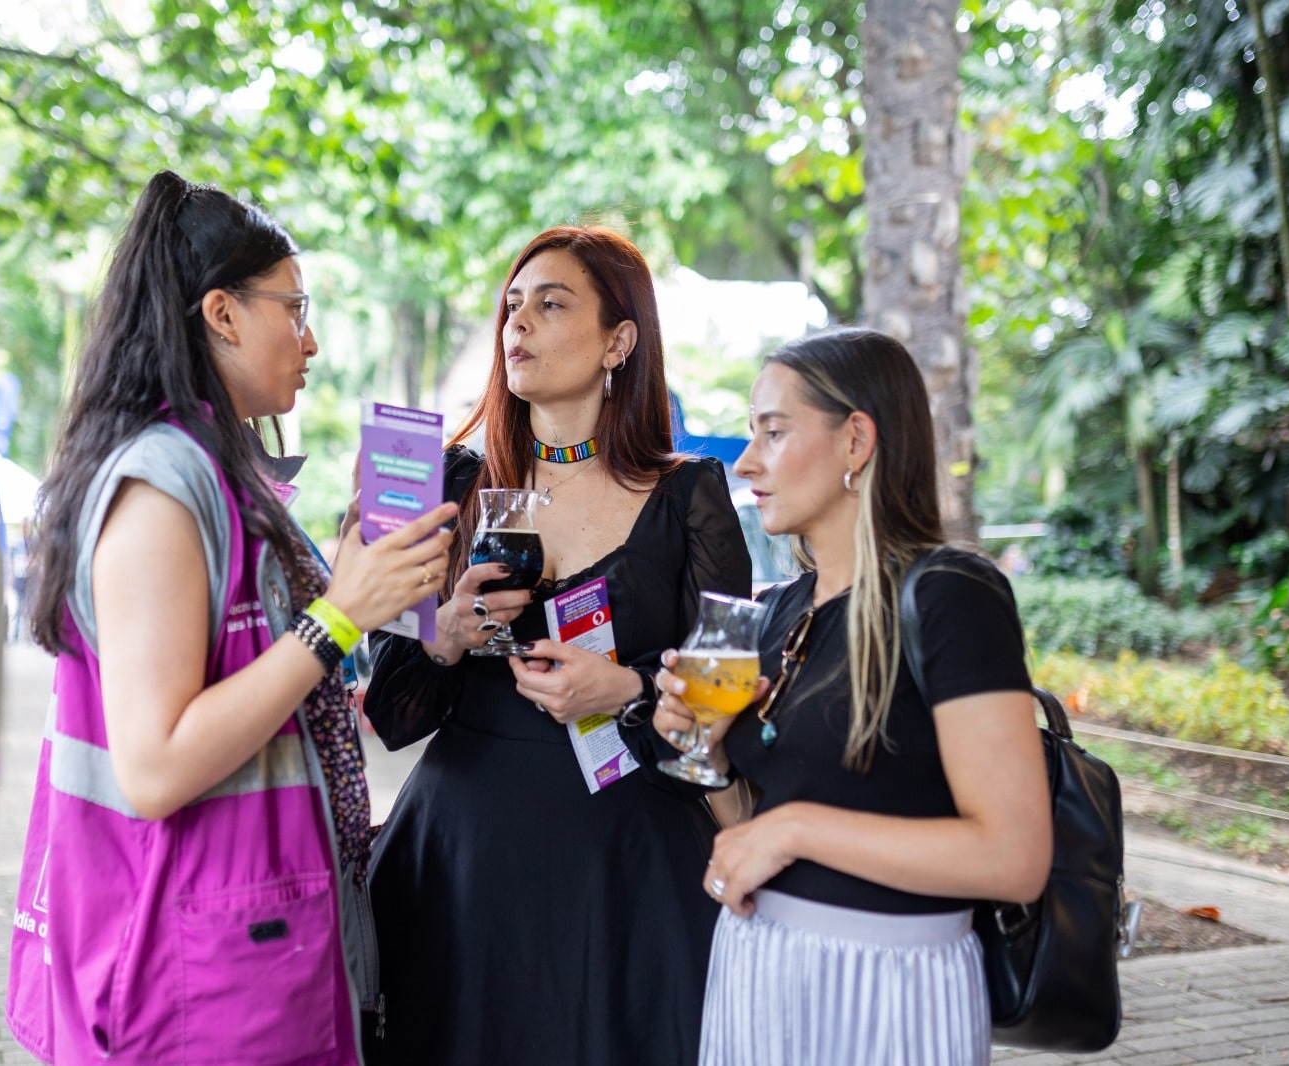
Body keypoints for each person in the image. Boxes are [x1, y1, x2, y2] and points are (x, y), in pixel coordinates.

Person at [4, 170, 457, 1066]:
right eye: (295, 309)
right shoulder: (161, 484)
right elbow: (156, 764)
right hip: (191, 975)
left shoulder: (218, 470)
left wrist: (376, 594)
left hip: (247, 943)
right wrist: (337, 616)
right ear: (222, 313)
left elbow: (260, 677)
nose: (311, 340)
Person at [362, 225, 752, 1065]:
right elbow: (390, 713)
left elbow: (727, 702)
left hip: (626, 868)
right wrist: (446, 635)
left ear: (620, 340)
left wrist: (628, 689)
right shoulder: (446, 482)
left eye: (551, 303)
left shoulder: (691, 494)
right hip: (460, 859)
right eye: (512, 305)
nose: (519, 323)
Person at [652, 328, 1053, 1065]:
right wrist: (707, 751)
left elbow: (1014, 856)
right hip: (757, 972)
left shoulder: (949, 594)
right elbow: (753, 821)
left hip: (890, 988)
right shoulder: (777, 611)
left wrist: (796, 830)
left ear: (856, 441)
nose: (745, 462)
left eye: (774, 432)